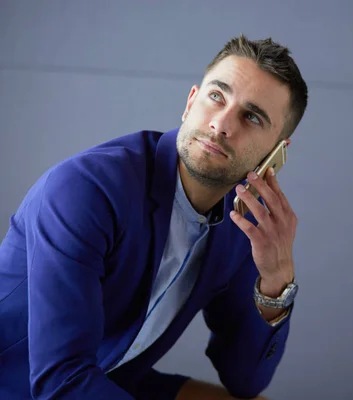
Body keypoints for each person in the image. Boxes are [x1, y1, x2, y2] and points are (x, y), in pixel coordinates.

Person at [0, 35, 308, 400]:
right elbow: (60, 381)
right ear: (191, 101)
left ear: (276, 152)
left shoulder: (243, 227)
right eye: (216, 96)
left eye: (251, 116)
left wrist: (276, 280)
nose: (221, 125)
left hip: (114, 378)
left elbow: (245, 381)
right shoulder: (86, 189)